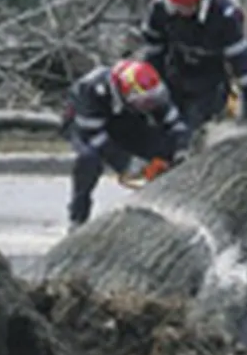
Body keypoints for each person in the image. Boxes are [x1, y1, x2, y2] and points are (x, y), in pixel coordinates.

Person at [138, 0, 247, 134]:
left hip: (210, 77)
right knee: (166, 126)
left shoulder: (224, 13)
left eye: (183, 8)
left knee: (195, 127)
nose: (178, 12)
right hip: (175, 69)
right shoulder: (161, 6)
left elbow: (239, 57)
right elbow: (153, 47)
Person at [62, 60, 191, 229]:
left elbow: (176, 124)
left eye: (153, 100)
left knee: (162, 146)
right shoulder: (91, 89)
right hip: (84, 126)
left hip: (124, 117)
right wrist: (128, 164)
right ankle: (78, 216)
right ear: (126, 92)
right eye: (146, 102)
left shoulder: (148, 92)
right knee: (89, 158)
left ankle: (165, 202)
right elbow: (93, 136)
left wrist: (180, 150)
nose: (151, 105)